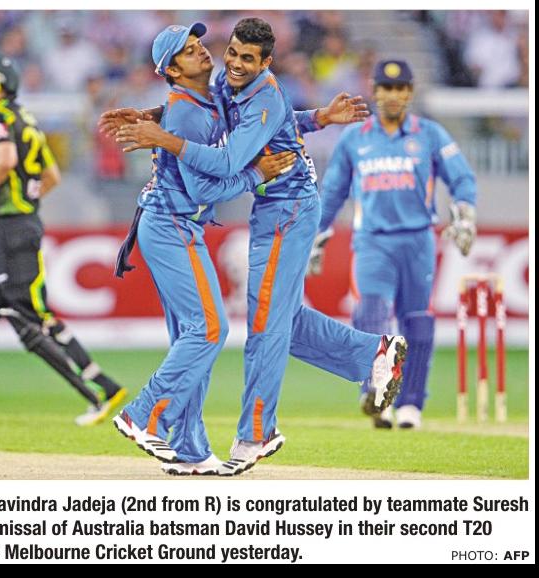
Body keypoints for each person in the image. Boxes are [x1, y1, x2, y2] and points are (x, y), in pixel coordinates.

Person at [110, 18, 407, 476]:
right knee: (271, 320)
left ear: (267, 62)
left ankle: (255, 433)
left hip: (287, 207)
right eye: (230, 51)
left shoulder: (260, 92)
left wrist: (164, 135)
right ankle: (372, 355)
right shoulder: (225, 84)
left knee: (263, 322)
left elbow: (230, 160)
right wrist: (319, 118)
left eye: (247, 59)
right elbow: (226, 116)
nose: (230, 61)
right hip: (256, 210)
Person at [109, 23, 298, 476]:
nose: (203, 52)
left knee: (192, 339)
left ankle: (190, 448)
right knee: (210, 330)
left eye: (198, 44)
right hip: (172, 225)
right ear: (172, 70)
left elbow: (246, 117)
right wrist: (257, 174)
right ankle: (144, 415)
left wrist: (154, 113)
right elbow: (203, 188)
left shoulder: (203, 97)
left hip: (171, 225)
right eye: (189, 51)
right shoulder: (188, 113)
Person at [0, 49, 126, 428]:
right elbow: (51, 177)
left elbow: (4, 162)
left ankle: (101, 391)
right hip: (2, 226)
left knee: (29, 318)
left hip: (10, 230)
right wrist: (0, 207)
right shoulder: (24, 118)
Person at [308, 59, 477, 429]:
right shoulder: (354, 138)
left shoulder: (429, 134)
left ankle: (411, 404)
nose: (393, 95)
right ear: (374, 90)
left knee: (417, 321)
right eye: (386, 88)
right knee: (371, 313)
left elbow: (462, 177)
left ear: (410, 92)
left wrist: (465, 213)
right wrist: (316, 234)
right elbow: (333, 192)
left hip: (418, 241)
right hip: (373, 242)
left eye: (400, 88)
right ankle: (378, 393)